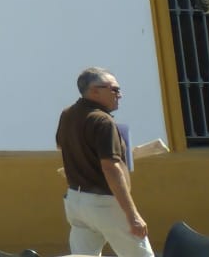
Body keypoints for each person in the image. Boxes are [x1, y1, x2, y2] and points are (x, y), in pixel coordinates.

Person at [57, 66, 152, 257]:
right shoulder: (103, 121)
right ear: (95, 91)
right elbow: (111, 168)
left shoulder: (67, 114)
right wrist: (133, 215)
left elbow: (63, 146)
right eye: (114, 89)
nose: (119, 95)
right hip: (103, 203)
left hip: (76, 201)